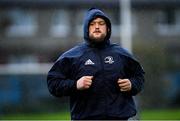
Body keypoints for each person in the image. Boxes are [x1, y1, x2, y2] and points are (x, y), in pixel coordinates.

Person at [47, 8, 145, 120]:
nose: (97, 27)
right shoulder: (72, 56)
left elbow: (139, 76)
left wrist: (131, 84)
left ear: (108, 29)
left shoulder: (122, 54)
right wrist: (75, 85)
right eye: (92, 24)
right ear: (86, 29)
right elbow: (53, 83)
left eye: (101, 23)